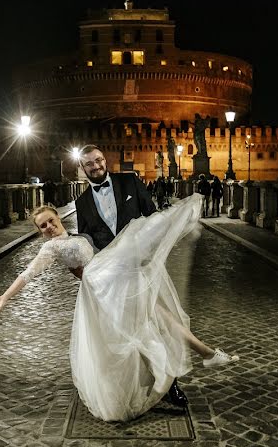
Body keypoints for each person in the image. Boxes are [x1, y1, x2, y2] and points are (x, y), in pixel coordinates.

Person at [0, 200, 239, 423]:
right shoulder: (50, 248)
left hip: (112, 280)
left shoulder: (76, 236)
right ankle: (193, 361)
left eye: (50, 220)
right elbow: (28, 274)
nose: (49, 227)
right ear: (40, 232)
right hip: (102, 291)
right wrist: (5, 298)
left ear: (58, 217)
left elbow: (96, 258)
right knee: (147, 324)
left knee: (158, 316)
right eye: (43, 226)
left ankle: (200, 355)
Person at [75, 145, 194, 407]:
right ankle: (129, 386)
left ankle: (171, 386)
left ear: (105, 159)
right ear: (82, 169)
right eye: (89, 164)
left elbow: (152, 217)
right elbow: (86, 241)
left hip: (141, 269)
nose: (96, 166)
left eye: (98, 160)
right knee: (122, 333)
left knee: (154, 326)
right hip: (111, 278)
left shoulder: (128, 180)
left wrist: (152, 252)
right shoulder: (81, 202)